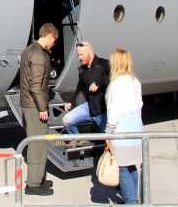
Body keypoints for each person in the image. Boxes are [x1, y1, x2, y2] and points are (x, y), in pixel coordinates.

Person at [20, 22, 58, 196]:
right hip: (35, 106)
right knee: (37, 144)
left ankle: (38, 178)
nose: (54, 44)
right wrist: (42, 108)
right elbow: (35, 86)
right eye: (54, 40)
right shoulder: (39, 55)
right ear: (49, 36)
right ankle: (33, 185)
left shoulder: (29, 50)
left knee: (38, 143)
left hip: (29, 104)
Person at [105, 48, 144, 204]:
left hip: (122, 132)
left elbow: (114, 113)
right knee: (132, 166)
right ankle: (134, 199)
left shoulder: (116, 84)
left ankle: (130, 202)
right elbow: (140, 104)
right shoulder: (135, 81)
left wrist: (107, 133)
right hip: (136, 129)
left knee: (122, 168)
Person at [62, 41, 110, 147]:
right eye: (78, 55)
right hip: (89, 107)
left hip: (104, 111)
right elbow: (80, 89)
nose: (79, 58)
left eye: (81, 54)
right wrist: (72, 102)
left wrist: (99, 83)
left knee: (111, 141)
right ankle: (75, 139)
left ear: (90, 52)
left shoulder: (104, 64)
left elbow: (113, 79)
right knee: (67, 120)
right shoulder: (83, 70)